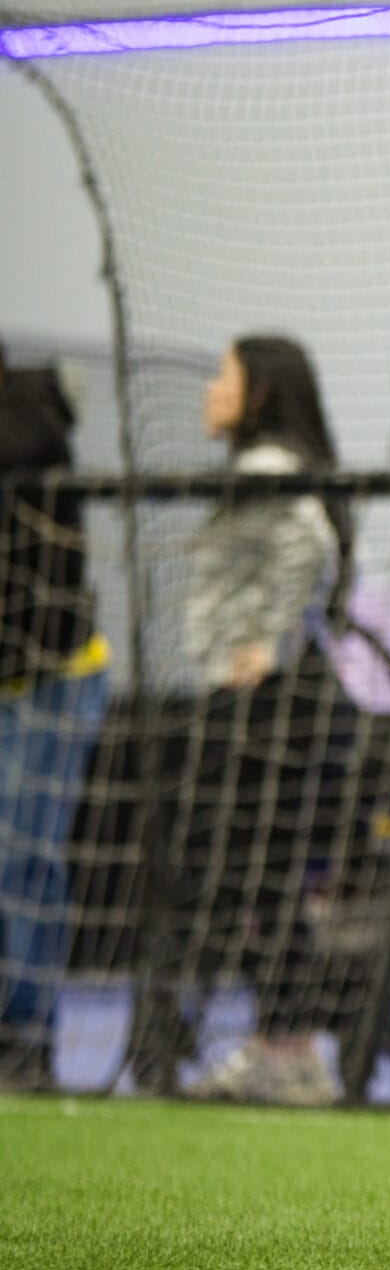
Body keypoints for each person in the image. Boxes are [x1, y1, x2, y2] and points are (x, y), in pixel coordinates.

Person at [175, 336, 353, 1107]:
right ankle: (288, 1046)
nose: (210, 390)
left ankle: (288, 1049)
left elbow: (309, 544)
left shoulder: (268, 469)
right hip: (267, 693)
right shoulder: (272, 467)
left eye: (224, 376)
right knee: (263, 876)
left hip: (262, 696)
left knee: (258, 877)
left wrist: (267, 644)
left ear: (260, 393)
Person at [0, 352, 110, 1091]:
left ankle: (26, 1037)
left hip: (52, 674)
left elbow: (33, 440)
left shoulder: (27, 397)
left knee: (25, 857)